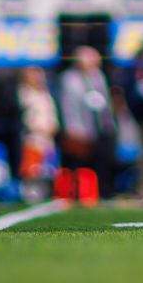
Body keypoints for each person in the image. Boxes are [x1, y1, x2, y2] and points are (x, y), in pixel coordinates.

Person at [58, 45, 118, 200]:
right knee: (79, 162)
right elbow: (68, 105)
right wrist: (72, 128)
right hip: (81, 128)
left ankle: (105, 192)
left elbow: (105, 102)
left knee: (104, 162)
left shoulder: (98, 76)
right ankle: (77, 194)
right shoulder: (69, 78)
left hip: (101, 127)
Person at [15, 66, 59, 202]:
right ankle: (30, 194)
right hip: (33, 137)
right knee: (32, 169)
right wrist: (38, 128)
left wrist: (54, 126)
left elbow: (51, 114)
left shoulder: (45, 93)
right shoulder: (24, 93)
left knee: (47, 169)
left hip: (48, 138)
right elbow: (26, 117)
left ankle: (46, 192)